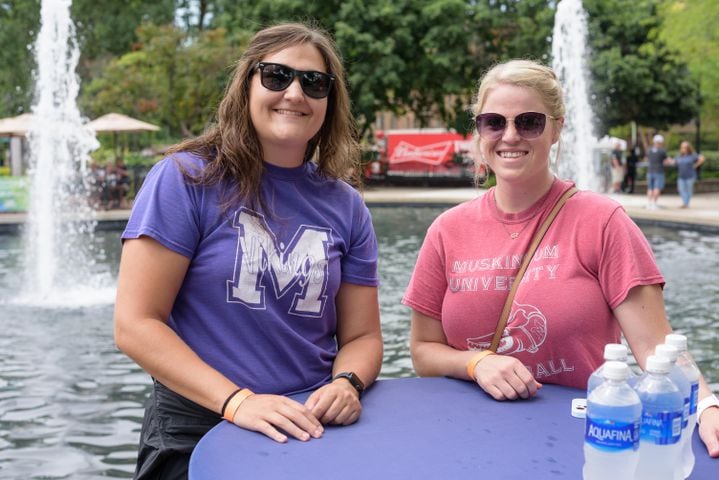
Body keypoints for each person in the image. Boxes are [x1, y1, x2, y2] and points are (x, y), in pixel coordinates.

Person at [402, 59, 719, 457]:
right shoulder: (447, 230)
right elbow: (423, 352)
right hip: (467, 438)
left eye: (529, 122)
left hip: (573, 442)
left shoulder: (603, 222)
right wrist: (476, 363)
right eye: (494, 122)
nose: (510, 135)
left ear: (557, 128)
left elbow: (656, 345)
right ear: (480, 130)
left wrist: (706, 405)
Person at [114, 23, 383, 479]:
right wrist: (238, 402)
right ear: (246, 85)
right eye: (276, 76)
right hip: (197, 426)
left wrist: (347, 383)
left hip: (308, 427)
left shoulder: (347, 205)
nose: (295, 93)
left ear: (329, 102)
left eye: (314, 82)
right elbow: (135, 325)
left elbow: (362, 337)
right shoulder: (185, 179)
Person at [670, 140, 705, 208]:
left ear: (688, 148)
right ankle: (685, 203)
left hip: (690, 176)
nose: (683, 149)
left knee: (689, 190)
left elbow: (702, 158)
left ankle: (686, 203)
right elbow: (674, 162)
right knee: (681, 190)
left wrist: (696, 165)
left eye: (685, 147)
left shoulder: (693, 155)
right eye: (682, 147)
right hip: (681, 176)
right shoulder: (679, 156)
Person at [645, 134, 672, 209]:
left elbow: (647, 159)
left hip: (650, 171)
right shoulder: (662, 151)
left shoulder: (649, 150)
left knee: (650, 188)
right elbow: (666, 161)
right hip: (659, 171)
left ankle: (649, 204)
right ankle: (654, 204)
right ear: (661, 142)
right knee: (657, 188)